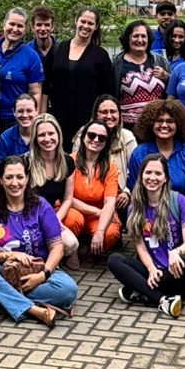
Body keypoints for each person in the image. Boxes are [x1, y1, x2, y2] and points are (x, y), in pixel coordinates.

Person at [0, 156, 78, 326]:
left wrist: (42, 276)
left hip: (38, 269)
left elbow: (57, 248)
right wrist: (9, 255)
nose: (15, 183)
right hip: (5, 270)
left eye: (20, 177)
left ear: (27, 179)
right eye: (9, 177)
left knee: (68, 290)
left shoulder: (41, 206)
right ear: (0, 180)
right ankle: (35, 311)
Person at [107, 154, 185, 318]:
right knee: (114, 259)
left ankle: (141, 291)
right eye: (148, 173)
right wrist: (151, 269)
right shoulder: (135, 207)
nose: (152, 178)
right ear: (141, 176)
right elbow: (140, 247)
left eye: (158, 174)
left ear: (165, 178)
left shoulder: (180, 201)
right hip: (154, 273)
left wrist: (176, 252)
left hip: (178, 274)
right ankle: (163, 300)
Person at [44, 8, 118, 143]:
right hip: (57, 120)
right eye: (83, 21)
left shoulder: (101, 55)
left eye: (90, 23)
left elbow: (108, 92)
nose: (85, 26)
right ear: (76, 21)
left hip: (88, 123)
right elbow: (45, 87)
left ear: (96, 26)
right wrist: (43, 117)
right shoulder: (58, 49)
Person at [126, 99, 185, 203]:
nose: (164, 125)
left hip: (183, 209)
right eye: (159, 121)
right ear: (151, 124)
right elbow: (133, 188)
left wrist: (177, 207)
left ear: (178, 124)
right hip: (148, 209)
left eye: (170, 121)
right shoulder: (139, 153)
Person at [63, 120, 122, 259]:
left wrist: (100, 232)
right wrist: (96, 211)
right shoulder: (69, 161)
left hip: (98, 215)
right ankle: (72, 250)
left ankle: (89, 251)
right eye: (91, 135)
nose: (96, 140)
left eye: (102, 138)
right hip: (74, 210)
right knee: (70, 220)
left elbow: (110, 202)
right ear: (83, 137)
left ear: (106, 142)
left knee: (110, 234)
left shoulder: (110, 166)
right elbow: (67, 198)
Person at [26, 113, 77, 266]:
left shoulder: (67, 161)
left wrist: (55, 220)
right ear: (35, 138)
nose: (47, 139)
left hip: (52, 216)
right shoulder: (25, 163)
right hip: (28, 217)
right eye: (42, 135)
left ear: (58, 135)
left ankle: (52, 257)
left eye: (51, 133)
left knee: (72, 243)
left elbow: (68, 198)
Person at [0, 9, 46, 133]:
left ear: (25, 29)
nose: (15, 29)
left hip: (15, 119)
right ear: (3, 24)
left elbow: (35, 92)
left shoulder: (31, 56)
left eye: (20, 26)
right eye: (12, 24)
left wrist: (33, 121)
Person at [113, 20, 170, 129]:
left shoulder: (160, 61)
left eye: (143, 36)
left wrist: (166, 77)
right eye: (135, 36)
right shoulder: (117, 64)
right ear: (128, 38)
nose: (140, 40)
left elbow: (173, 90)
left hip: (158, 125)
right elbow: (111, 94)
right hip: (128, 127)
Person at [92, 95, 138, 190]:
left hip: (121, 194)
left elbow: (136, 172)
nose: (109, 116)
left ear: (119, 114)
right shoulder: (84, 136)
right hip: (92, 193)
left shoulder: (127, 137)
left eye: (113, 111)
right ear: (96, 114)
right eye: (104, 112)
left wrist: (127, 192)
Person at [0, 93, 39, 162]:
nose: (25, 115)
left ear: (36, 111)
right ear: (14, 112)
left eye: (29, 111)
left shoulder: (44, 135)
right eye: (20, 111)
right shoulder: (5, 138)